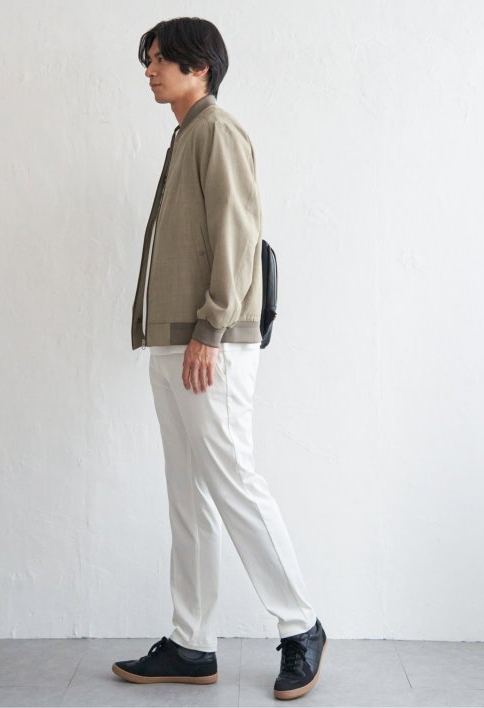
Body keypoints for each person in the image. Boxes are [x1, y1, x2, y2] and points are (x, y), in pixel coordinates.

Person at [112, 17, 327, 701]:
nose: (150, 70)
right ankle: (191, 642)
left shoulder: (217, 132)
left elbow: (238, 237)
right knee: (188, 493)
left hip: (209, 344)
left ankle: (301, 625)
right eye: (147, 60)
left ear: (199, 66)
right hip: (175, 341)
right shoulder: (186, 134)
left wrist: (209, 329)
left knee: (232, 481)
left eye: (160, 59)